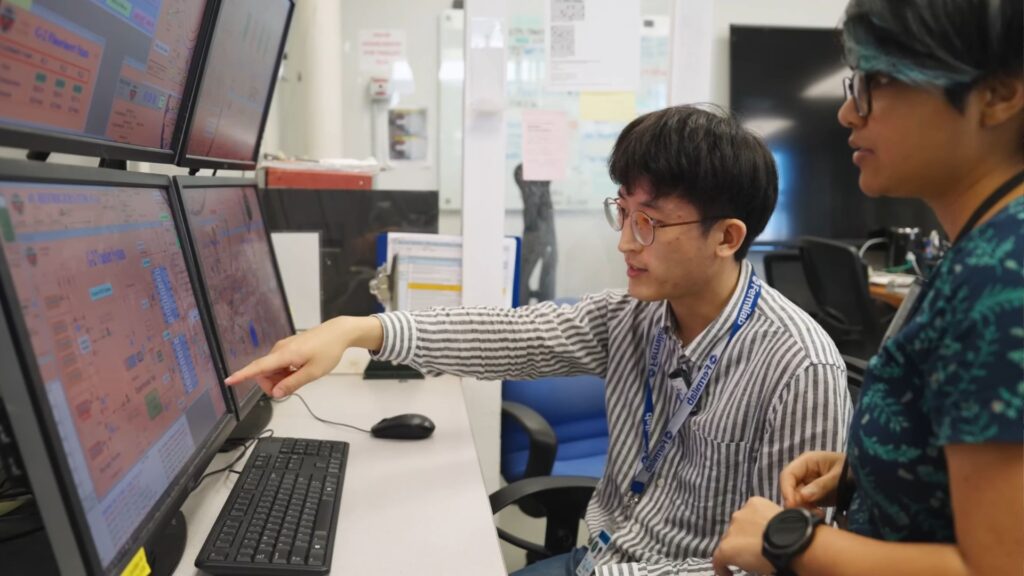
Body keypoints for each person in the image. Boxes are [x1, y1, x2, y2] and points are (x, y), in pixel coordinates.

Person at [228, 105, 853, 575]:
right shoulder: (634, 316)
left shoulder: (799, 368)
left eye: (650, 223)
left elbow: (787, 564)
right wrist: (360, 330)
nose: (625, 242)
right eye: (622, 212)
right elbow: (511, 334)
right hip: (599, 558)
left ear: (727, 236)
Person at [712, 1, 1024, 575]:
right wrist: (874, 469)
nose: (848, 114)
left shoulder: (1002, 277)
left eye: (876, 82)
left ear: (999, 94)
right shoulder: (980, 248)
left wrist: (790, 541)